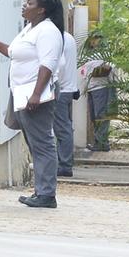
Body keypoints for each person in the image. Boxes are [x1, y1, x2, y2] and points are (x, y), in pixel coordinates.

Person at [0, 0, 64, 208]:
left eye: (29, 3)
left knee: (42, 143)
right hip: (21, 93)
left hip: (36, 96)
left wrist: (36, 94)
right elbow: (13, 52)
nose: (24, 5)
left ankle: (47, 194)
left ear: (41, 9)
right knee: (34, 142)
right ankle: (41, 190)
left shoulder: (47, 31)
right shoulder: (30, 28)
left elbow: (48, 65)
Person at [80, 31, 113, 152]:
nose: (94, 41)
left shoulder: (105, 54)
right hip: (91, 88)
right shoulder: (89, 54)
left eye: (97, 39)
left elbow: (109, 68)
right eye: (93, 39)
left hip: (101, 87)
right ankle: (100, 141)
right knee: (95, 116)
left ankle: (102, 142)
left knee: (101, 115)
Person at [54, 28, 79, 177]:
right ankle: (65, 162)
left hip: (61, 89)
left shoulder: (58, 38)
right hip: (68, 88)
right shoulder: (68, 37)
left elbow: (60, 66)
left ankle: (65, 165)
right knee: (65, 127)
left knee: (63, 129)